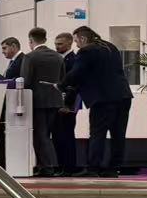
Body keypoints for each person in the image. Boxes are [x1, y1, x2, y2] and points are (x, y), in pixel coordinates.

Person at [65, 25, 134, 176]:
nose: (76, 45)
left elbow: (76, 73)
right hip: (123, 96)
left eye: (76, 41)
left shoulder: (87, 51)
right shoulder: (110, 47)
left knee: (97, 133)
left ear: (83, 38)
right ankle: (113, 168)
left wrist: (61, 85)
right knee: (118, 134)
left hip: (104, 99)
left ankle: (93, 168)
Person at [20, 27, 65, 176]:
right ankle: (47, 165)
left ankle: (47, 167)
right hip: (55, 101)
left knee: (40, 135)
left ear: (31, 40)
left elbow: (25, 82)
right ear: (45, 39)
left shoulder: (30, 57)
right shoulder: (58, 57)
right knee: (47, 135)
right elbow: (63, 80)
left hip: (37, 101)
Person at [53, 32, 80, 174]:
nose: (57, 47)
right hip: (59, 102)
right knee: (59, 135)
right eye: (56, 44)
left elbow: (74, 84)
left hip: (68, 104)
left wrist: (68, 105)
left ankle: (69, 167)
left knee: (67, 135)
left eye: (60, 44)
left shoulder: (73, 60)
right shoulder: (59, 59)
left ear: (70, 43)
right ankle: (62, 165)